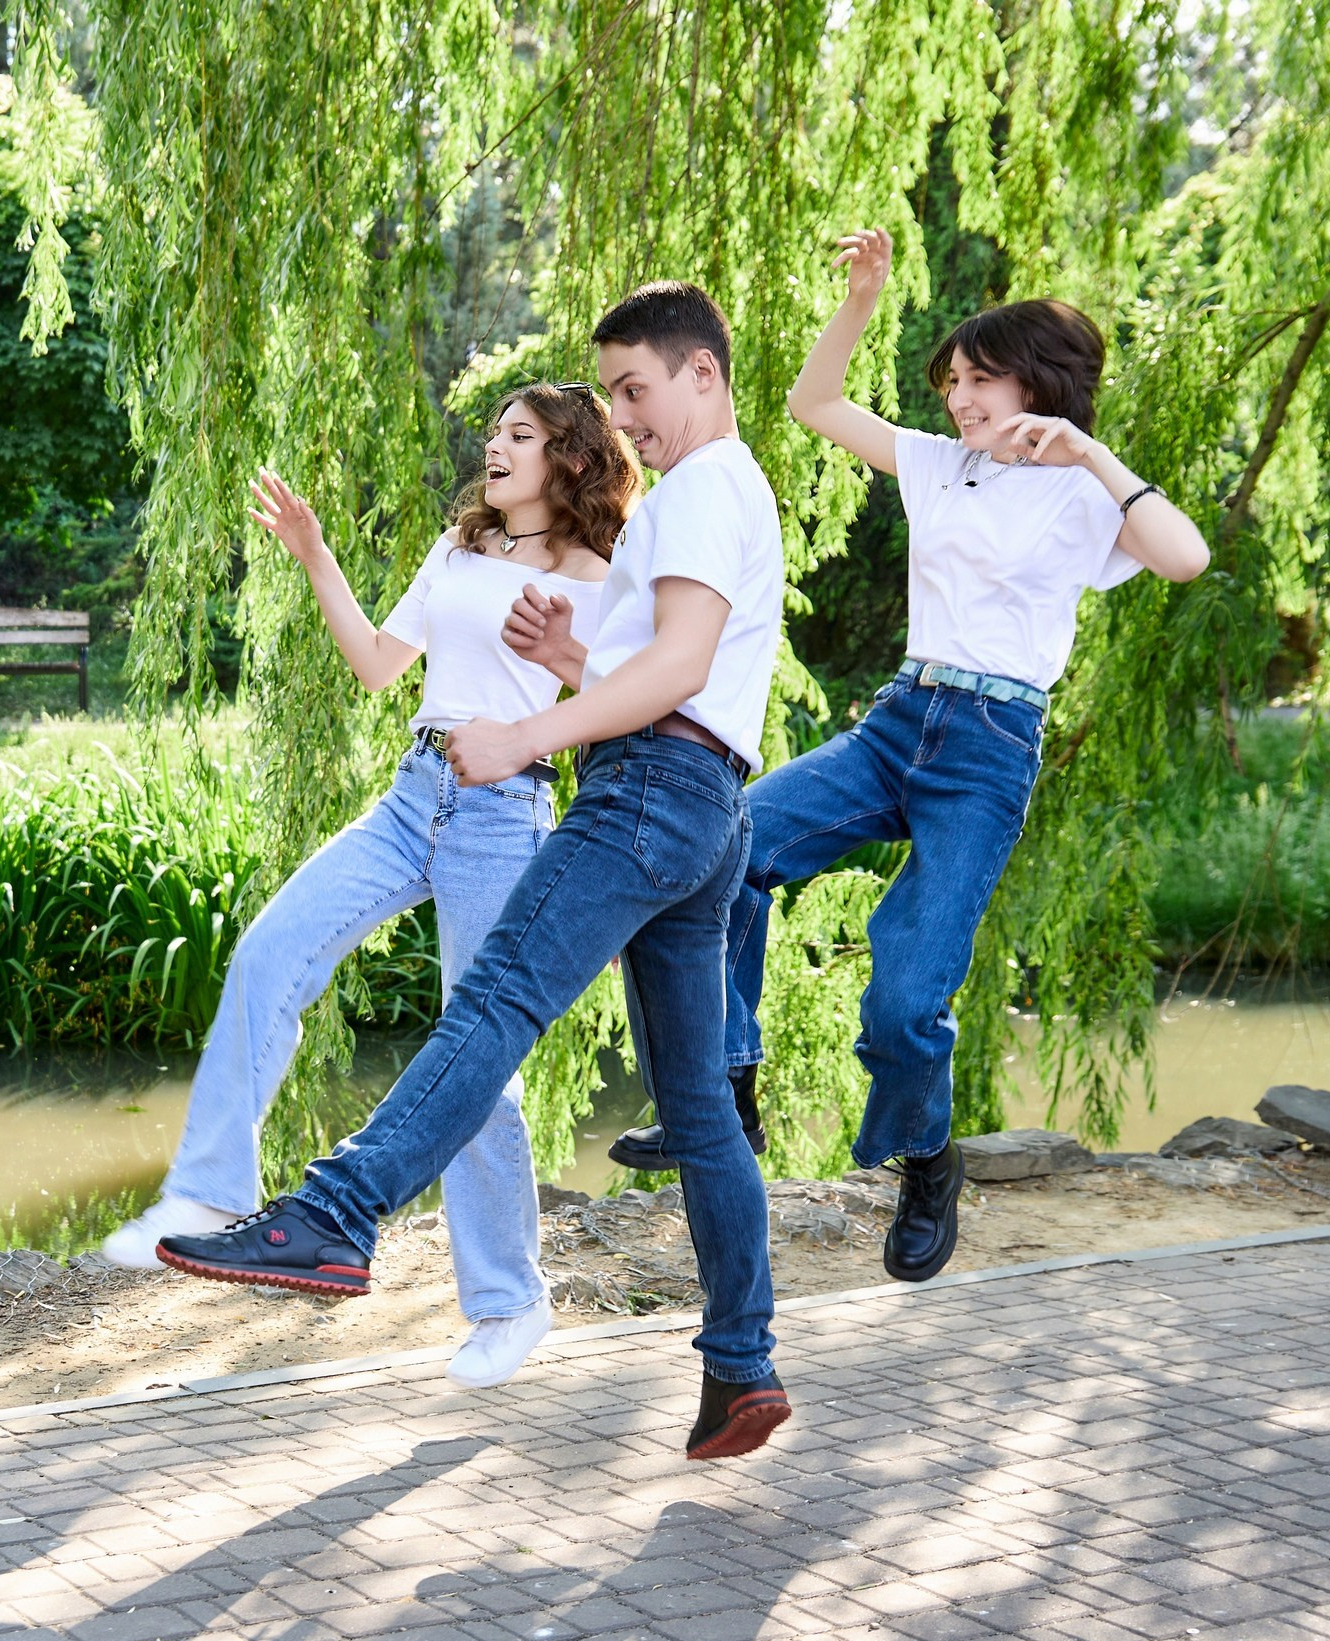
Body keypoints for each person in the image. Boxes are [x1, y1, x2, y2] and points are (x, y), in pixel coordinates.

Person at [158, 282, 796, 1461]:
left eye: (635, 391)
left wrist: (524, 734)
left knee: (494, 1001)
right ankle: (741, 1368)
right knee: (701, 1108)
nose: (626, 420)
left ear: (700, 373)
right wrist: (569, 656)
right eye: (611, 397)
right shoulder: (722, 489)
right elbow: (672, 660)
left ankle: (332, 1216)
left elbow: (680, 667)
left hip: (648, 788)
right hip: (707, 804)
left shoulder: (705, 485)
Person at [606, 230, 1210, 1288]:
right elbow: (814, 405)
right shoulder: (941, 465)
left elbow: (1185, 556)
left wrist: (1090, 457)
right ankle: (727, 1083)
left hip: (987, 751)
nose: (958, 399)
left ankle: (924, 1158)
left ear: (1042, 380)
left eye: (979, 378)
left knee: (904, 999)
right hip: (901, 719)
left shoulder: (1086, 496)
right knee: (731, 846)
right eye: (951, 381)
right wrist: (860, 299)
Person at [98, 385, 636, 1391]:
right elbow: (379, 664)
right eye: (491, 434)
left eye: (519, 434)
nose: (495, 447)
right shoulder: (461, 546)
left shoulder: (600, 573)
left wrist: (567, 664)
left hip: (504, 809)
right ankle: (210, 1193)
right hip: (414, 793)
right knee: (270, 949)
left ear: (569, 456)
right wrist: (313, 554)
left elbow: (623, 708)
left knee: (474, 1059)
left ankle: (510, 1299)